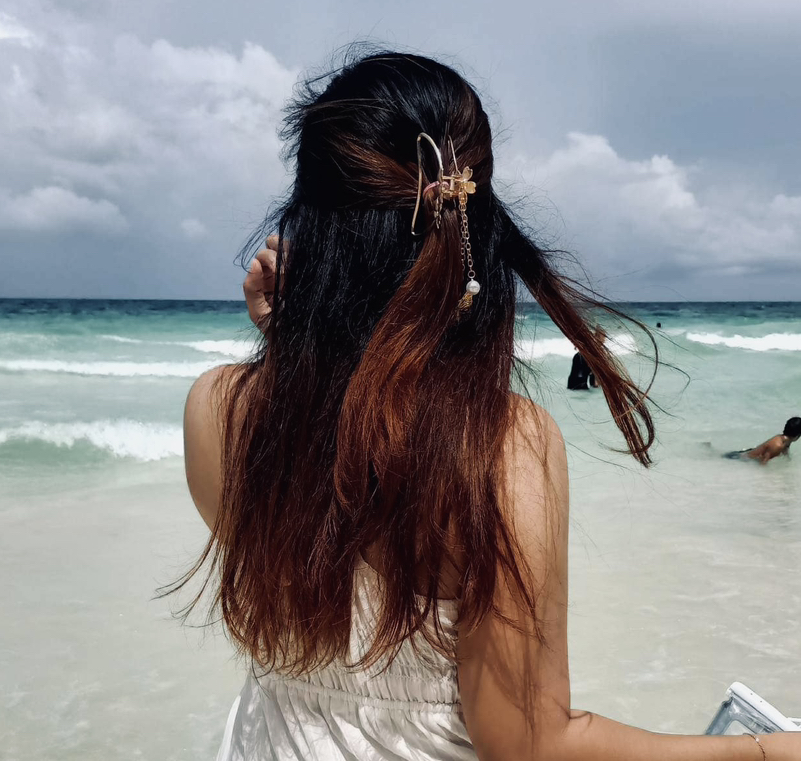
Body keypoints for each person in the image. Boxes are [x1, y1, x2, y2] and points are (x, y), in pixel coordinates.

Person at [179, 52, 800, 760]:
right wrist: (762, 752)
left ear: (307, 219)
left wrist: (298, 344)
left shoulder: (216, 410)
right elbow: (526, 743)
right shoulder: (498, 448)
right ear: (474, 216)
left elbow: (322, 518)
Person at [724, 417, 801, 464]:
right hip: (740, 458)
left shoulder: (786, 441)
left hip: (747, 455)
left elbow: (785, 455)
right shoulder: (777, 445)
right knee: (719, 457)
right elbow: (763, 463)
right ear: (797, 435)